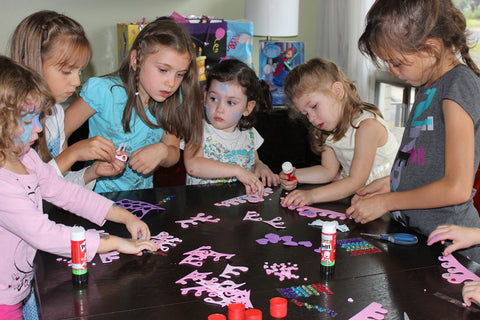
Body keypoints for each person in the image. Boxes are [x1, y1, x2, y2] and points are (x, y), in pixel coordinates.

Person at [0, 55, 159, 320]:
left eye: (38, 117)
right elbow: (46, 235)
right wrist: (114, 242)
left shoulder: (24, 157)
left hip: (16, 291)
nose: (39, 128)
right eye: (28, 120)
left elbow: (65, 192)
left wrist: (124, 216)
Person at [347, 0, 480, 261]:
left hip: (453, 246)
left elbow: (457, 188)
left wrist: (388, 202)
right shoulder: (429, 85)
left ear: (431, 48)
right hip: (417, 235)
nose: (393, 72)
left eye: (397, 63)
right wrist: (394, 183)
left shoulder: (458, 86)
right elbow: (428, 157)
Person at [64, 17, 203, 192]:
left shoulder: (174, 100)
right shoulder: (105, 92)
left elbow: (173, 151)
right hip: (95, 196)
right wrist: (66, 179)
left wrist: (163, 151)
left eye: (180, 74)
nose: (171, 83)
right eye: (163, 70)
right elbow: (59, 132)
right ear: (136, 60)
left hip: (141, 198)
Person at [10, 10, 126, 190]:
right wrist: (72, 154)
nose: (77, 81)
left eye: (79, 71)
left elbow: (60, 188)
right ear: (30, 65)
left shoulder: (56, 113)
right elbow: (25, 191)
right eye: (66, 72)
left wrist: (91, 172)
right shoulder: (10, 122)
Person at [279, 57, 398, 207]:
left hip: (390, 199)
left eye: (314, 106)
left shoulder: (367, 127)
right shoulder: (328, 130)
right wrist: (295, 176)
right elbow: (327, 171)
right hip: (361, 197)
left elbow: (356, 180)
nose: (311, 118)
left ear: (337, 91)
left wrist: (311, 195)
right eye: (306, 114)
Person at [183, 59, 279, 196]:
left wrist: (260, 167)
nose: (220, 108)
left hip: (238, 208)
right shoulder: (197, 129)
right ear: (205, 97)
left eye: (231, 102)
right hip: (202, 207)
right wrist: (237, 171)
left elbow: (254, 161)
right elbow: (193, 165)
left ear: (248, 108)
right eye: (213, 99)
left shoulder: (249, 133)